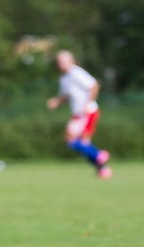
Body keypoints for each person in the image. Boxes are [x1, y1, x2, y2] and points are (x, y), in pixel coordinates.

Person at [47, 50, 113, 178]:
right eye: (59, 62)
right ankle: (102, 168)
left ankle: (98, 155)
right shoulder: (64, 79)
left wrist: (89, 103)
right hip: (78, 114)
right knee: (82, 144)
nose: (62, 65)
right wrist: (57, 102)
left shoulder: (76, 73)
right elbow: (66, 96)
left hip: (87, 112)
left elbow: (94, 85)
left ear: (71, 61)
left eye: (64, 62)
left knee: (71, 140)